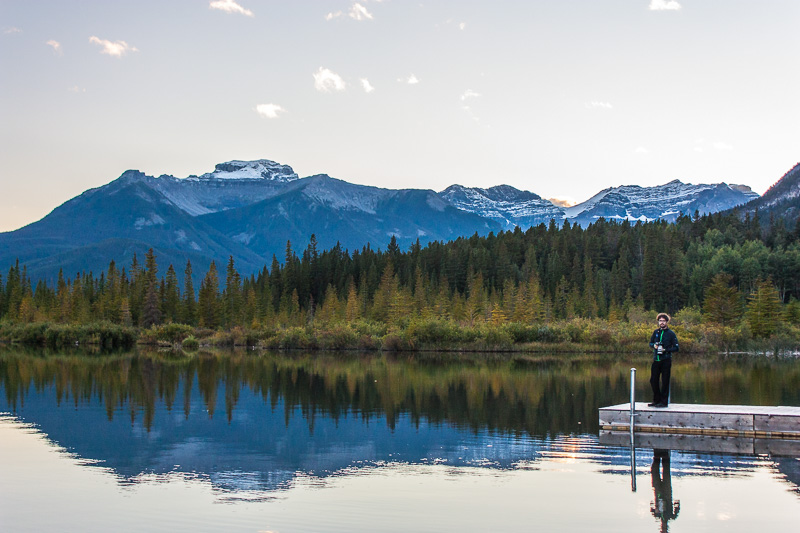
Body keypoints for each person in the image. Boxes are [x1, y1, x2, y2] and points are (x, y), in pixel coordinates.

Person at [649, 313, 679, 408]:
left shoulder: (671, 333)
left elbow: (676, 348)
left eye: (663, 321)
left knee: (665, 381)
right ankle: (656, 400)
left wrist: (665, 350)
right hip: (656, 360)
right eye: (660, 321)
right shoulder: (656, 332)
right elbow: (650, 343)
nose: (661, 322)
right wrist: (654, 345)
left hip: (666, 360)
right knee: (653, 380)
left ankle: (664, 402)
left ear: (666, 322)